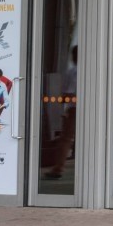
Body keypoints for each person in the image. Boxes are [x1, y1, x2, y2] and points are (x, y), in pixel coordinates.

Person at [43, 46, 78, 180]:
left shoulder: (73, 71)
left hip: (74, 109)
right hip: (88, 110)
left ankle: (58, 168)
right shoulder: (90, 71)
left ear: (73, 57)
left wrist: (65, 109)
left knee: (66, 139)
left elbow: (68, 93)